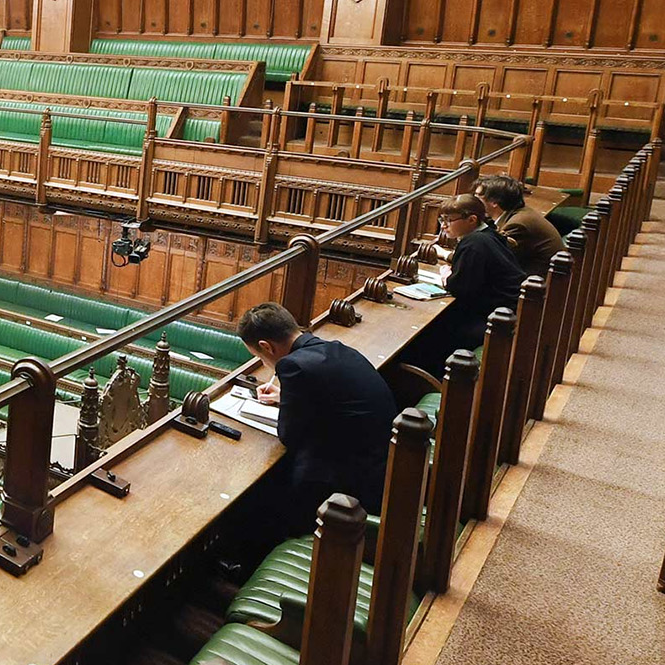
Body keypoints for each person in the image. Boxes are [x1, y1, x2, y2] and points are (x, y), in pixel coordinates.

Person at [240, 302, 398, 523]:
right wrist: (286, 397)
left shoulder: (292, 366)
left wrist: (290, 401)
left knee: (257, 495)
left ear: (267, 347)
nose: (262, 362)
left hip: (356, 487)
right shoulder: (336, 348)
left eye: (259, 357)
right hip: (386, 465)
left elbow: (289, 435)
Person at [407, 193, 528, 374]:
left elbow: (460, 289)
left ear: (471, 220)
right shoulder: (487, 234)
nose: (443, 225)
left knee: (428, 333)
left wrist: (447, 276)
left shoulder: (474, 243)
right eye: (442, 219)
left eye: (449, 220)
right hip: (506, 311)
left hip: (496, 319)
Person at [474, 174, 563, 276]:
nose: (473, 200)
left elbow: (491, 260)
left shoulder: (517, 225)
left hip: (536, 285)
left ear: (494, 202)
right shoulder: (518, 212)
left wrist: (452, 255)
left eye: (477, 196)